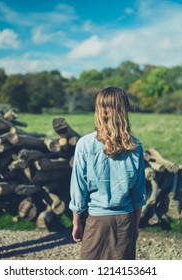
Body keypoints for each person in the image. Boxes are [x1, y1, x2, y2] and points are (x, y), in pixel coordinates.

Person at [69, 86, 146, 260]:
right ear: (124, 110)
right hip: (125, 219)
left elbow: (78, 188)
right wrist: (135, 224)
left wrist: (76, 222)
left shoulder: (85, 144)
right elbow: (139, 191)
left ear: (99, 110)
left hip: (97, 220)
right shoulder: (135, 146)